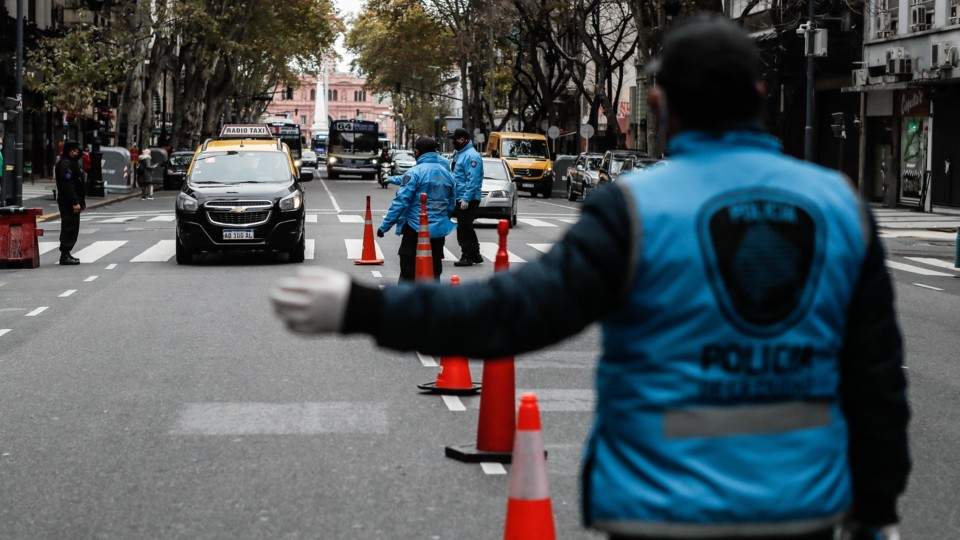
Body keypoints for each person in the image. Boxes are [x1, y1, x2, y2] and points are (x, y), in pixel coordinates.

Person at [270, 15, 908, 540]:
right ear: (761, 95)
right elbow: (876, 379)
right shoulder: (840, 207)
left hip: (659, 505)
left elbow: (512, 314)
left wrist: (363, 309)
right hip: (801, 507)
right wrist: (876, 509)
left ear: (658, 102)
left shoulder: (636, 210)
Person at [375, 137, 456, 282]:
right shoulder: (447, 175)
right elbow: (451, 205)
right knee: (434, 270)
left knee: (408, 272)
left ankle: (407, 296)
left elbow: (401, 202)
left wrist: (384, 227)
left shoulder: (415, 172)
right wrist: (441, 219)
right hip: (438, 232)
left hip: (414, 228)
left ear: (417, 152)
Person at [448, 128, 484, 266]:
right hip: (460, 197)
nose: (453, 142)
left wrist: (466, 198)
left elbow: (473, 179)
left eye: (454, 139)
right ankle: (475, 254)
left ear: (463, 140)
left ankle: (467, 256)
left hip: (467, 199)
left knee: (463, 229)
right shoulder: (460, 154)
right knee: (466, 227)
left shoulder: (471, 156)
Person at [55, 141, 85, 265]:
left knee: (72, 226)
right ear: (68, 150)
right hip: (68, 201)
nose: (76, 152)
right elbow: (67, 185)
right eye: (73, 150)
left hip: (71, 200)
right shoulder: (65, 163)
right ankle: (65, 254)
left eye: (77, 150)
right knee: (69, 226)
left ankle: (66, 253)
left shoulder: (72, 162)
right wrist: (74, 202)